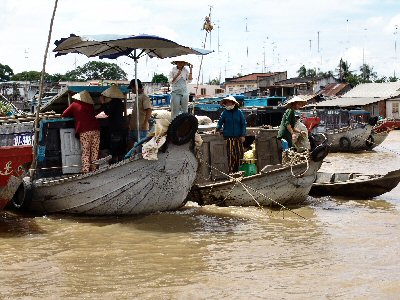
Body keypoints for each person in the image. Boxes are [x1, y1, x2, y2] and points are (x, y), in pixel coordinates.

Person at [62, 90, 100, 173]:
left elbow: (64, 114)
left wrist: (75, 114)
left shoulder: (74, 105)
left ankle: (86, 170)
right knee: (95, 150)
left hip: (84, 130)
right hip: (96, 129)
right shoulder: (90, 105)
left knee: (86, 151)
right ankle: (94, 169)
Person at [215, 96, 247, 174]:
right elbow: (220, 123)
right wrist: (216, 129)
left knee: (239, 155)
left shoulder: (239, 112)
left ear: (233, 103)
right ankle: (230, 173)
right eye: (226, 103)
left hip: (238, 138)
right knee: (229, 156)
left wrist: (243, 135)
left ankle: (239, 171)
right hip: (228, 138)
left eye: (229, 102)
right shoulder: (224, 113)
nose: (228, 104)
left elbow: (243, 124)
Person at [100, 84, 128, 163]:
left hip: (115, 127)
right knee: (121, 145)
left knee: (115, 145)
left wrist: (103, 103)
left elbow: (107, 113)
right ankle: (121, 160)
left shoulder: (114, 102)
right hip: (121, 126)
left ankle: (114, 161)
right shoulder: (120, 103)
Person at [128, 79, 152, 144]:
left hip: (141, 128)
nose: (131, 90)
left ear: (135, 87)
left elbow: (149, 110)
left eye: (132, 88)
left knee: (141, 148)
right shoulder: (138, 97)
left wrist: (145, 123)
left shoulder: (144, 97)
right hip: (134, 127)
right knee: (131, 144)